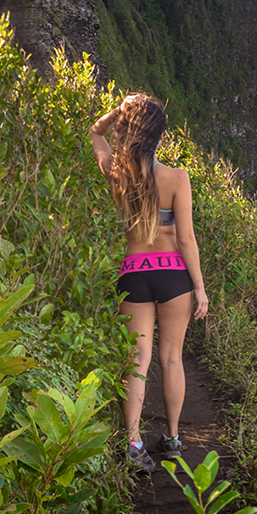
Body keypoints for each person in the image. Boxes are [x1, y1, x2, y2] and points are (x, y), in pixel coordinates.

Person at [91, 92, 209, 473]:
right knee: (172, 357)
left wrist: (119, 115)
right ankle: (173, 439)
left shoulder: (118, 173)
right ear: (161, 136)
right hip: (174, 274)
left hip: (134, 274)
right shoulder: (176, 178)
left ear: (129, 133)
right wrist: (200, 287)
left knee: (136, 362)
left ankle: (133, 442)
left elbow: (95, 133)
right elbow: (187, 239)